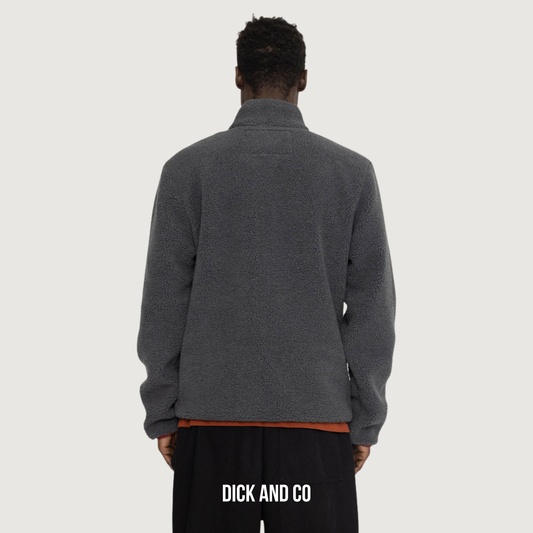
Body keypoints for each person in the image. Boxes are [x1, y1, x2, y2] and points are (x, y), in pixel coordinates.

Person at [137, 14, 396, 533]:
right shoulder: (351, 173)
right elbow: (373, 309)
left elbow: (164, 302)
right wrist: (364, 418)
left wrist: (163, 411)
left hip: (211, 424)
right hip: (316, 427)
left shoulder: (187, 170)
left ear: (238, 76)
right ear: (304, 78)